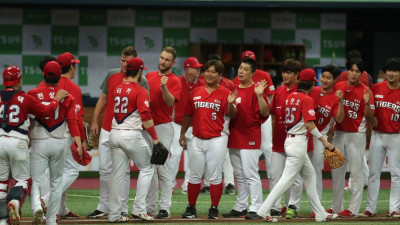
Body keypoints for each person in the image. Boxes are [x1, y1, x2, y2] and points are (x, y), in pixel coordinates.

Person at [256, 68, 338, 223]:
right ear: (312, 83)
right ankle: (264, 209)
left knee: (310, 176)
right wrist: (324, 141)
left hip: (290, 140)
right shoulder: (307, 99)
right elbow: (309, 124)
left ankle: (321, 213)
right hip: (298, 143)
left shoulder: (290, 96)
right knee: (285, 180)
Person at [0, 66, 67, 225]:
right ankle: (15, 202)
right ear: (20, 80)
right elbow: (45, 112)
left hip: (0, 140)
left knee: (1, 184)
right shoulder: (25, 97)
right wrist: (56, 99)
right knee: (24, 180)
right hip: (18, 141)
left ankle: (3, 221)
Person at [180, 60, 237, 219]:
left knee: (215, 176)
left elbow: (232, 115)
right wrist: (182, 133)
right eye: (208, 71)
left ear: (220, 75)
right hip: (197, 138)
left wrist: (231, 104)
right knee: (194, 175)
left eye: (214, 72)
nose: (210, 74)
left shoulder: (226, 93)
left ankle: (214, 209)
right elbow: (188, 115)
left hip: (217, 138)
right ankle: (191, 207)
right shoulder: (195, 92)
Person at [28, 61, 82, 225]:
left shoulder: (33, 93)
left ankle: (37, 206)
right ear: (59, 76)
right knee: (56, 182)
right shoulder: (67, 95)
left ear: (43, 75)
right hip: (59, 142)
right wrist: (79, 143)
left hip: (39, 142)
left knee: (36, 180)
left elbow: (28, 120)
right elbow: (72, 122)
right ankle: (51, 219)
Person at [88, 46, 138, 218]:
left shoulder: (141, 80)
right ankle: (103, 205)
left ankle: (123, 207)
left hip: (125, 130)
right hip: (107, 128)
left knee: (123, 171)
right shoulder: (111, 74)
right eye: (122, 60)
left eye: (128, 62)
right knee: (104, 169)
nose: (125, 64)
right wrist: (95, 120)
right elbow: (103, 98)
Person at [108, 57, 157, 222]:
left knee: (117, 175)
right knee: (148, 168)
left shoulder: (117, 88)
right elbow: (146, 117)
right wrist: (156, 139)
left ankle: (114, 214)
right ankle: (139, 209)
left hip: (114, 133)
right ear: (140, 71)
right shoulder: (140, 90)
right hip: (131, 134)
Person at [38, 52, 87, 219]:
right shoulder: (73, 88)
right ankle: (48, 201)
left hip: (43, 134)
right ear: (71, 67)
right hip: (63, 133)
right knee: (71, 171)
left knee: (49, 173)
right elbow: (76, 118)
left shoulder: (41, 84)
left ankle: (60, 209)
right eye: (75, 66)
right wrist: (82, 140)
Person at [222, 58, 269, 219]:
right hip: (234, 135)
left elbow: (265, 113)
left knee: (250, 173)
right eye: (240, 68)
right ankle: (241, 206)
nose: (241, 71)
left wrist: (260, 96)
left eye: (245, 69)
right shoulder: (234, 89)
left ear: (253, 73)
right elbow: (229, 113)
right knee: (239, 174)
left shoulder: (257, 90)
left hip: (250, 136)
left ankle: (257, 207)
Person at [328, 57, 375, 217]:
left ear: (361, 74)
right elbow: (334, 113)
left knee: (356, 172)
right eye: (352, 70)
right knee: (337, 171)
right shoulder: (338, 87)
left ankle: (353, 209)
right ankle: (336, 206)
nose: (354, 74)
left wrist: (367, 104)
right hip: (339, 133)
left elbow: (370, 118)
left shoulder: (366, 91)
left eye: (357, 71)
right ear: (347, 71)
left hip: (356, 134)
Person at [360, 58, 400, 218]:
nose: (390, 73)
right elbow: (369, 115)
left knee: (396, 174)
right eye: (388, 70)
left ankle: (395, 209)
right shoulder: (376, 88)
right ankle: (371, 208)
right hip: (377, 135)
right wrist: (368, 107)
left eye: (395, 70)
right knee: (373, 173)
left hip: (396, 137)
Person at [145, 47, 181, 219]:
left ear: (173, 63)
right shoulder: (148, 76)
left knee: (162, 167)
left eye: (167, 59)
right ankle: (150, 208)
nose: (163, 61)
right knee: (148, 169)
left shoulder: (175, 80)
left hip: (163, 127)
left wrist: (164, 87)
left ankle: (165, 207)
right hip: (146, 126)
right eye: (161, 58)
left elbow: (169, 103)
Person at [268, 59, 304, 218]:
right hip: (278, 141)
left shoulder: (302, 93)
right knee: (274, 175)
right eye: (284, 72)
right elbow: (273, 117)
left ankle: (292, 206)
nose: (285, 75)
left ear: (297, 75)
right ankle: (275, 206)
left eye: (289, 72)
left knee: (294, 177)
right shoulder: (279, 91)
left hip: (295, 141)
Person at [307, 66, 344, 217]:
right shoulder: (313, 90)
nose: (325, 80)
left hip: (319, 137)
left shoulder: (335, 97)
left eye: (329, 77)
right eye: (323, 76)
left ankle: (316, 208)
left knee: (315, 173)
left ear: (334, 80)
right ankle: (291, 206)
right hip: (304, 134)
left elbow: (340, 119)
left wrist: (341, 102)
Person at [233, 50, 275, 182]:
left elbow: (271, 96)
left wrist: (270, 115)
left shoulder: (264, 75)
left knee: (267, 147)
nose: (242, 71)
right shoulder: (236, 79)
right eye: (242, 66)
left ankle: (271, 177)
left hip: (262, 114)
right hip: (246, 119)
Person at [199, 53, 235, 195]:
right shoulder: (203, 83)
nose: (211, 72)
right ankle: (207, 184)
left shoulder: (228, 84)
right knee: (208, 156)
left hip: (223, 123)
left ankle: (230, 183)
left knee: (225, 155)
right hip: (208, 123)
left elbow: (233, 105)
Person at [169, 57, 204, 194]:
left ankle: (187, 185)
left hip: (194, 125)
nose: (198, 70)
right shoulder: (177, 81)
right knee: (176, 154)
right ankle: (170, 184)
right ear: (188, 69)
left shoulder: (201, 83)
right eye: (196, 68)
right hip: (178, 124)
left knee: (193, 157)